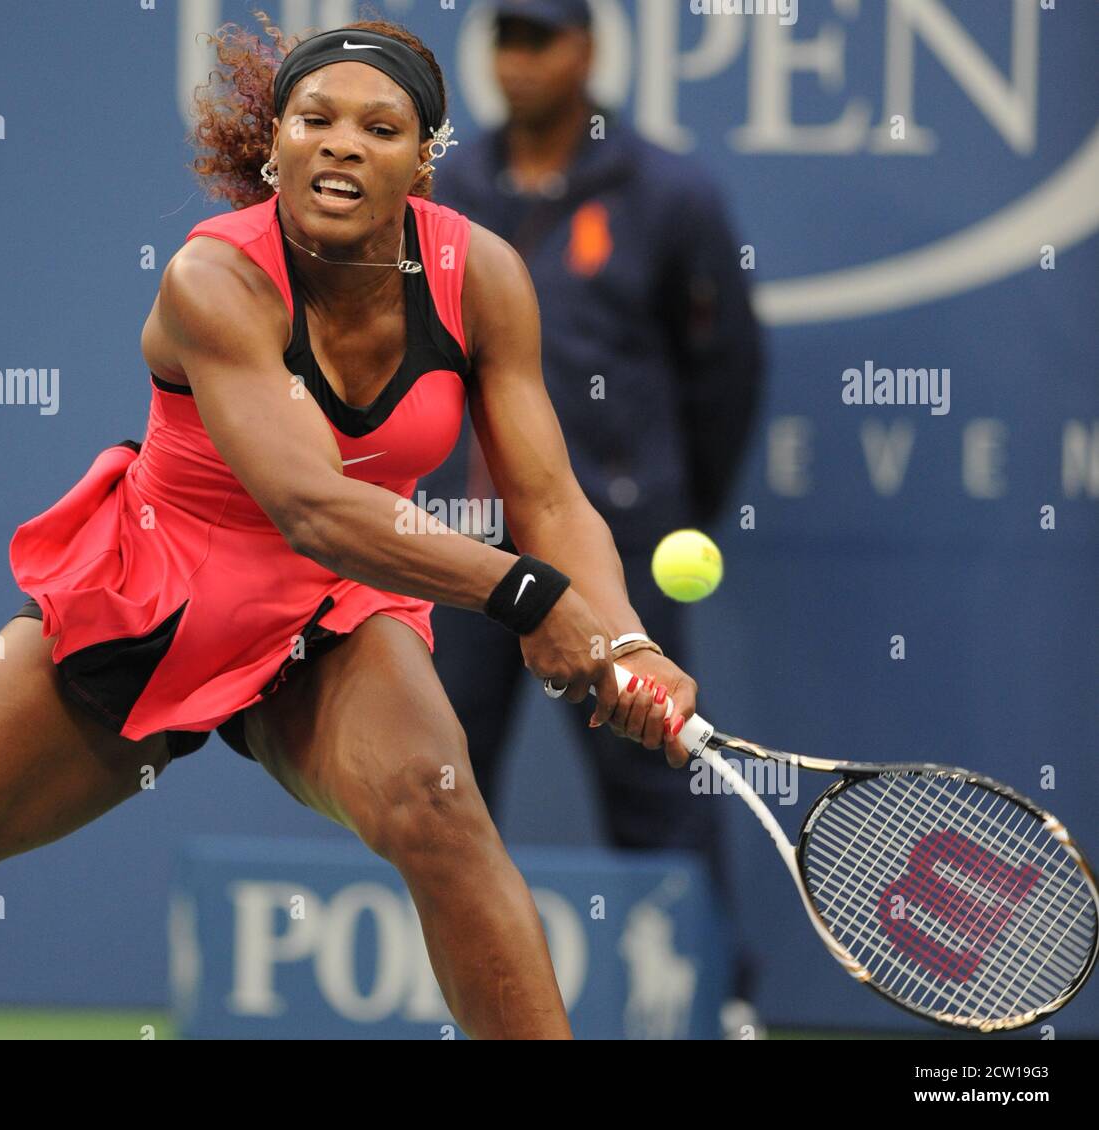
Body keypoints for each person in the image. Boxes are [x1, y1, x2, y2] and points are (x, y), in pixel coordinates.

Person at [0, 16, 702, 1040]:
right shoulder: (213, 279)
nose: (343, 142)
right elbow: (311, 508)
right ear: (273, 145)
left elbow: (550, 498)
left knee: (437, 808)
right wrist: (533, 595)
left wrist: (622, 637)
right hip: (158, 603)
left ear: (423, 161)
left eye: (380, 126)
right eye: (315, 118)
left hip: (337, 618)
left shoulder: (480, 276)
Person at [422, 0, 765, 1021]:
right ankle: (451, 1001)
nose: (517, 61)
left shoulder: (669, 191)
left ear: (587, 49)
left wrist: (655, 507)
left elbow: (725, 370)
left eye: (539, 38)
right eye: (502, 39)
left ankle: (713, 998)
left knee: (659, 779)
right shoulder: (447, 184)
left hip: (612, 548)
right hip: (462, 551)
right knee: (436, 782)